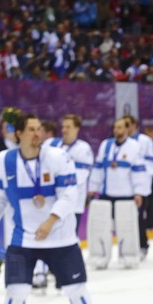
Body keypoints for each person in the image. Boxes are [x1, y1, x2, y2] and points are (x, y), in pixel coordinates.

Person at [0, 113, 102, 304]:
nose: (38, 133)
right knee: (16, 290)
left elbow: (70, 194)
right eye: (31, 129)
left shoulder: (57, 157)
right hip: (22, 238)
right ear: (19, 134)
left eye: (39, 128)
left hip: (60, 237)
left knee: (76, 288)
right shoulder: (3, 161)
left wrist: (51, 221)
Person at [32, 114, 95, 291]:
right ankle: (43, 273)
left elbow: (79, 177)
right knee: (46, 237)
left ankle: (63, 275)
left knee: (67, 240)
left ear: (77, 129)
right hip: (50, 203)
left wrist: (56, 186)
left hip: (72, 204)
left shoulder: (84, 149)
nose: (64, 130)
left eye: (68, 126)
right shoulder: (52, 144)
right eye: (63, 126)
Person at [86, 117, 151, 268]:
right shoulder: (105, 145)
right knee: (101, 228)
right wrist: (92, 188)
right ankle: (100, 258)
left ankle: (128, 257)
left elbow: (139, 171)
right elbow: (98, 168)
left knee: (127, 228)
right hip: (106, 194)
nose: (117, 130)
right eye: (115, 127)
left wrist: (139, 192)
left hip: (126, 196)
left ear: (127, 129)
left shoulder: (134, 146)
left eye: (120, 128)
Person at [125, 115, 153, 257]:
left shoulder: (144, 141)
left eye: (128, 124)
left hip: (141, 187)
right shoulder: (120, 143)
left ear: (134, 125)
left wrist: (142, 177)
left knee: (138, 217)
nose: (126, 128)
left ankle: (142, 244)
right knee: (125, 218)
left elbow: (152, 162)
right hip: (124, 186)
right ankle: (128, 247)